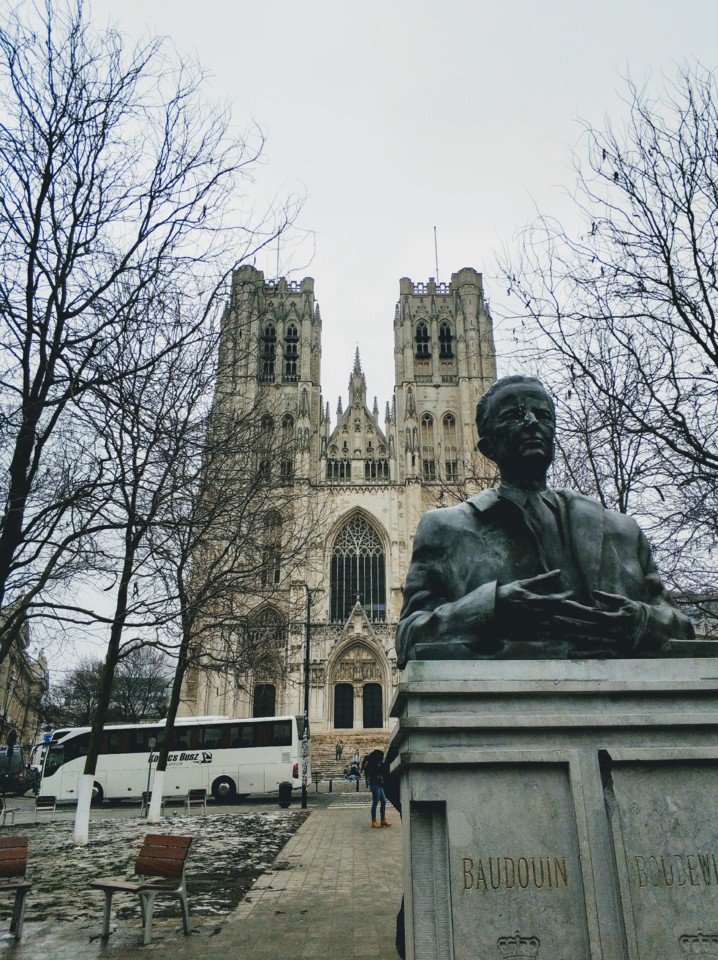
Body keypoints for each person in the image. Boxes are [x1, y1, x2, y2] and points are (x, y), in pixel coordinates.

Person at [397, 375, 694, 667]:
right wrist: (492, 606)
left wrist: (639, 622)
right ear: (487, 447)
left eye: (542, 414)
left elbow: (682, 626)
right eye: (514, 415)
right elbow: (409, 637)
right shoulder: (444, 529)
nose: (532, 422)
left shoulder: (621, 530)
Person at [365, 749, 391, 828]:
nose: (382, 758)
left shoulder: (378, 764)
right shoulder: (371, 764)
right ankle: (373, 821)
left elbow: (384, 769)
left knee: (383, 801)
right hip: (374, 785)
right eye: (381, 757)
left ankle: (383, 819)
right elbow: (371, 773)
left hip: (379, 785)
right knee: (375, 803)